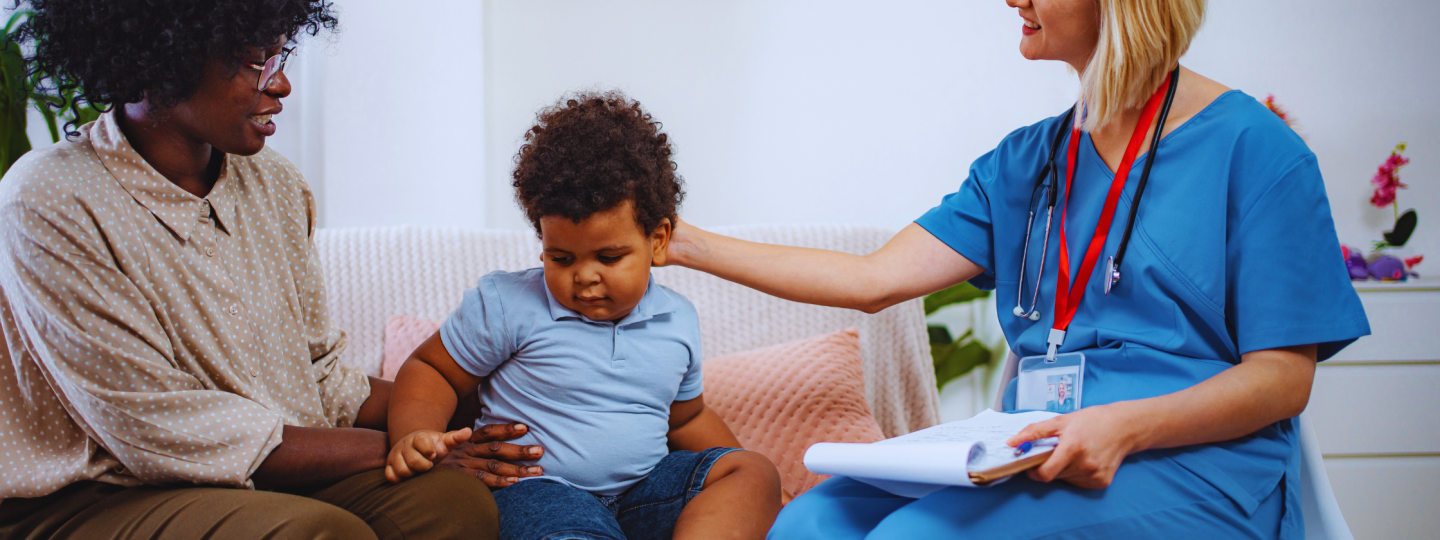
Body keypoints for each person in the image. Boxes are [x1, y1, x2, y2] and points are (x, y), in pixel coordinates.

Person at [662, 0, 1369, 538]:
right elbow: (872, 280)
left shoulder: (1255, 150)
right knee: (810, 525)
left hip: (1192, 462)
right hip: (1031, 446)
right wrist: (680, 241)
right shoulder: (1029, 160)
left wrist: (1124, 426)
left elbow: (1284, 377)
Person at [0, 2, 525, 538]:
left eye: (280, 55)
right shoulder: (49, 198)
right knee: (316, 533)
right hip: (97, 494)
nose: (281, 85)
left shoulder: (275, 183)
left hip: (257, 477)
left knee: (454, 503)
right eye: (253, 61)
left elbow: (319, 378)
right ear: (160, 58)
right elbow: (152, 427)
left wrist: (489, 409)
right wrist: (407, 445)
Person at [383, 91, 784, 540]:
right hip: (540, 491)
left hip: (645, 492)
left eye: (609, 258)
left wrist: (743, 479)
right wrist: (415, 434)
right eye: (561, 258)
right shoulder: (507, 304)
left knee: (753, 472)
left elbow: (687, 419)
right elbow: (433, 369)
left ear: (657, 240)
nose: (584, 277)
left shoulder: (678, 320)